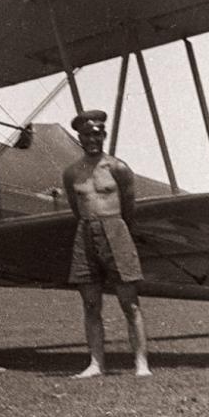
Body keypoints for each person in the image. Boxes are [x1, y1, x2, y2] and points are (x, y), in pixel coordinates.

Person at [62, 110, 151, 378]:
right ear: (79, 137)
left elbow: (129, 208)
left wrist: (118, 233)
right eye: (87, 134)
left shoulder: (118, 168)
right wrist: (91, 227)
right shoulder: (72, 173)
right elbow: (76, 207)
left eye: (97, 134)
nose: (92, 139)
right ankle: (96, 364)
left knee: (129, 303)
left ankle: (141, 364)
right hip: (85, 232)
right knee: (90, 304)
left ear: (104, 135)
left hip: (116, 229)